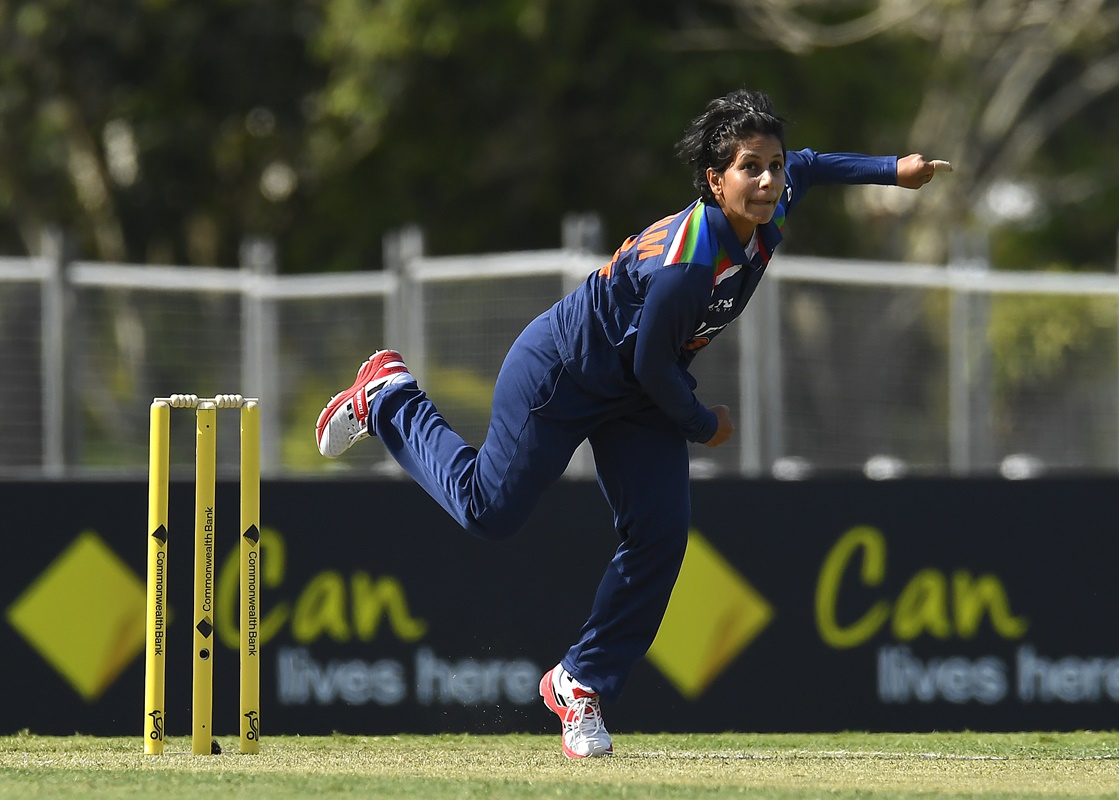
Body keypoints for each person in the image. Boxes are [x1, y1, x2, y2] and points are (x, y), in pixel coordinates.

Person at [314, 89, 949, 758]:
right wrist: (705, 426)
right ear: (714, 180)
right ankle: (389, 396)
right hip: (565, 372)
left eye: (773, 166)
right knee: (488, 512)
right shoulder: (688, 265)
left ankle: (579, 681)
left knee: (662, 534)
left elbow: (814, 163)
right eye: (749, 168)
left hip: (640, 393)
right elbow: (652, 367)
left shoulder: (774, 200)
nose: (768, 181)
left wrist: (893, 171)